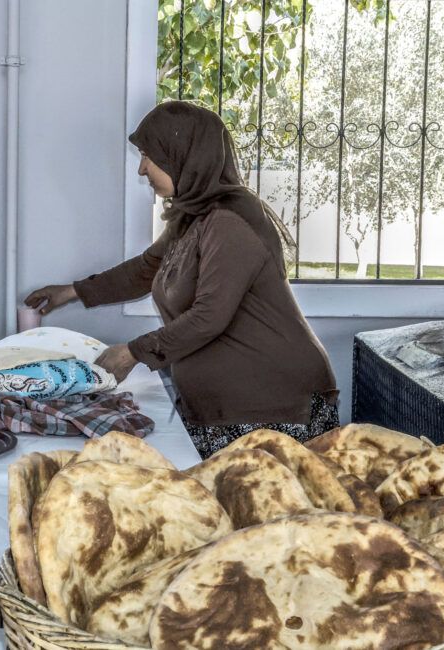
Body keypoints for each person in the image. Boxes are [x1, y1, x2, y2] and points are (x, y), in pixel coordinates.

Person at [26, 101, 337, 458]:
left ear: (183, 156)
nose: (142, 169)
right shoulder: (193, 216)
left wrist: (133, 352)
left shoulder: (230, 220)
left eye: (148, 156)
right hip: (225, 407)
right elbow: (146, 269)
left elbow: (210, 316)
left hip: (270, 407)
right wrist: (71, 291)